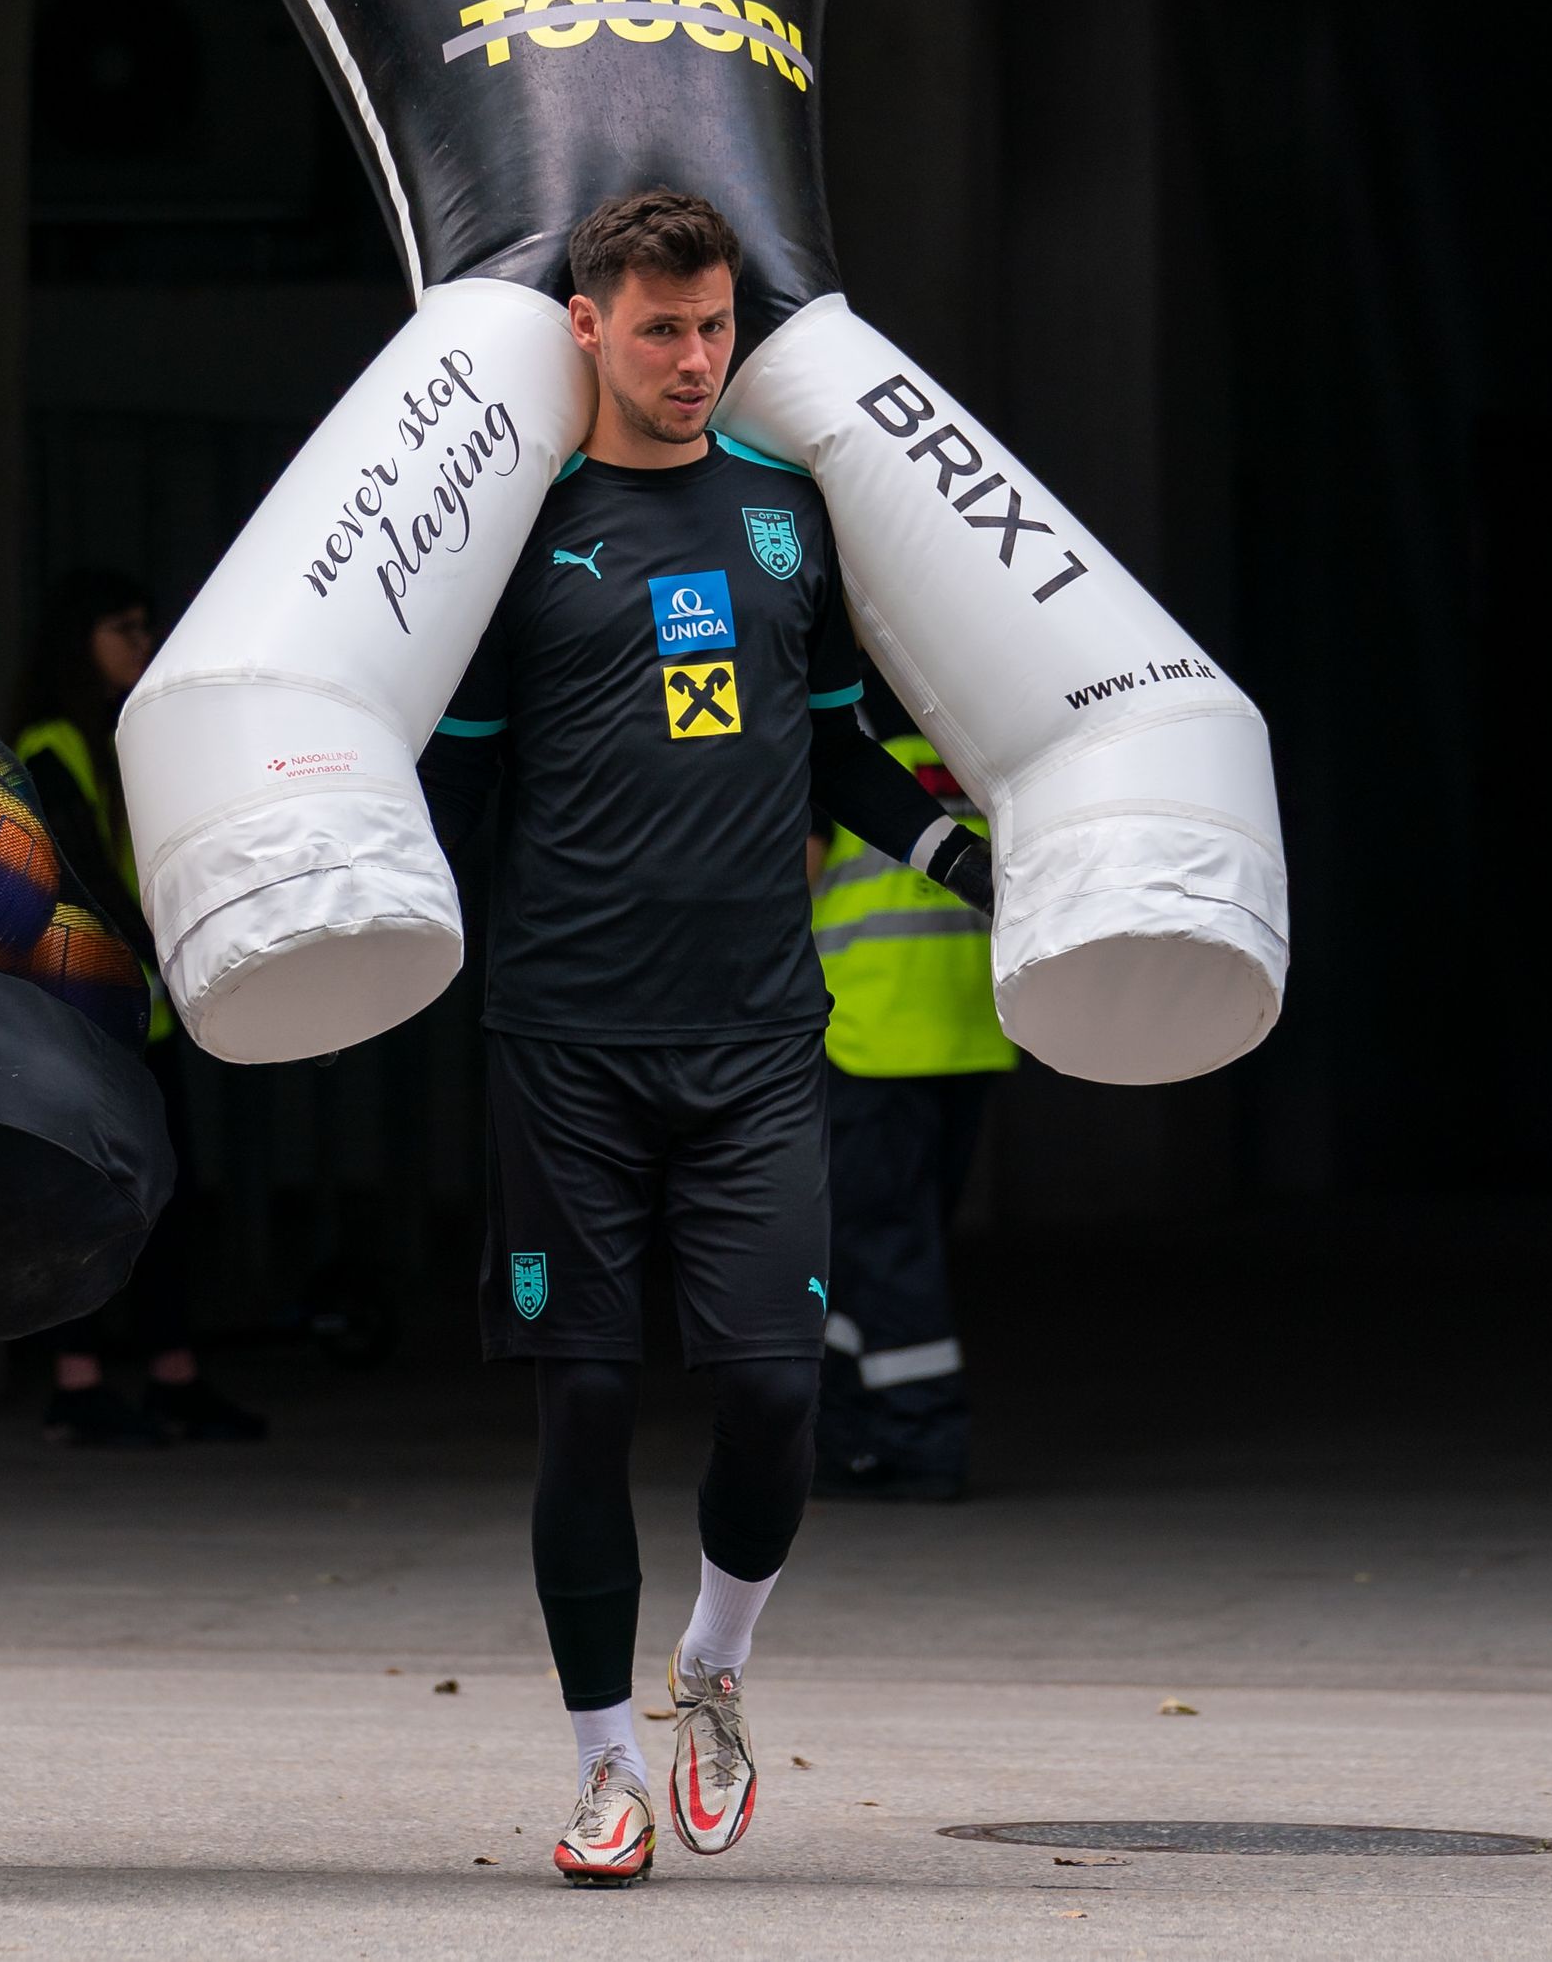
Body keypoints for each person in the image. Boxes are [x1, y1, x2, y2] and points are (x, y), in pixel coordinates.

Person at [419, 190, 991, 1888]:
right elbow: (451, 783)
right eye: (660, 327)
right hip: (568, 1041)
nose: (694, 358)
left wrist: (961, 855)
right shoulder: (521, 526)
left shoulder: (786, 517)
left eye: (715, 325)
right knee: (582, 1400)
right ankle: (605, 1770)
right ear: (583, 325)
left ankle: (716, 1671)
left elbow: (834, 747)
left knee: (766, 1394)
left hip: (756, 1042)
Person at [13, 568, 268, 1449]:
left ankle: (171, 1374)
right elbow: (78, 877)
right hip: (82, 1013)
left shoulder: (138, 732)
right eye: (123, 627)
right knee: (86, 1198)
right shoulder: (51, 745)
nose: (142, 644)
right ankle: (77, 1382)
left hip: (145, 1016)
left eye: (148, 626)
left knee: (167, 1199)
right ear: (79, 640)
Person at [808, 700, 1014, 1502]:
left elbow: (796, 870)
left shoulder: (835, 733)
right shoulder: (974, 723)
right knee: (881, 1246)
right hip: (968, 1028)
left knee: (884, 1247)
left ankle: (923, 1436)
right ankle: (846, 1433)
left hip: (867, 1029)